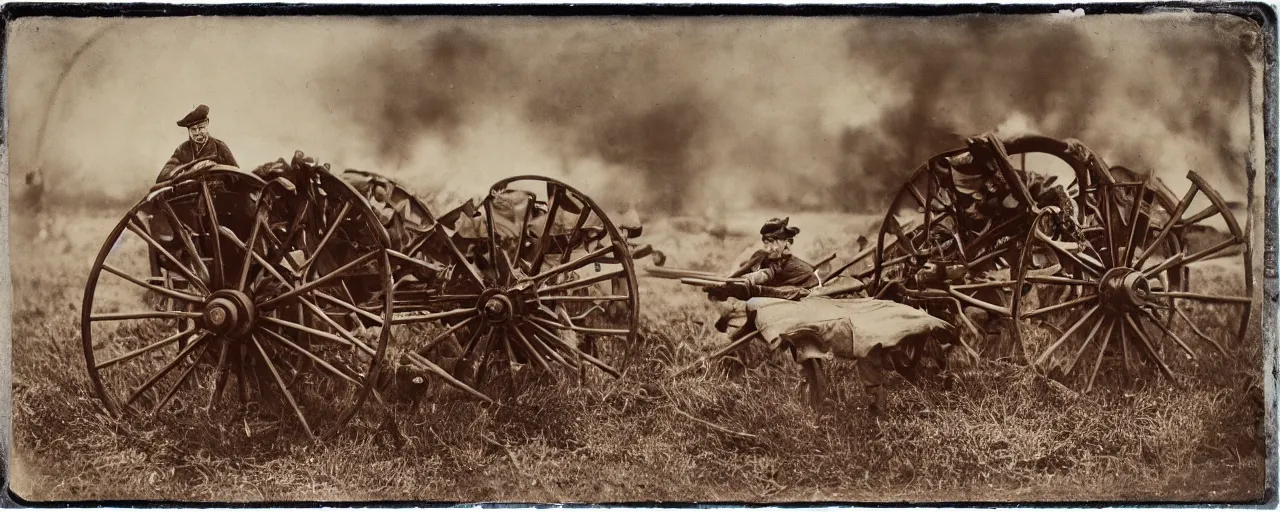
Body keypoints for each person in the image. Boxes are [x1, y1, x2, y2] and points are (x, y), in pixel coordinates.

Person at [704, 217, 822, 302]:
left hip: (807, 287)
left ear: (786, 242)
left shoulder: (788, 262)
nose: (772, 248)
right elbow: (747, 269)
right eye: (767, 243)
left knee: (756, 290)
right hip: (781, 284)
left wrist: (732, 284)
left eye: (777, 243)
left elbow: (763, 275)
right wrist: (727, 278)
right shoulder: (762, 255)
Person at [157, 104, 238, 182]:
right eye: (193, 129)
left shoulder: (219, 147)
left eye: (201, 127)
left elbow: (236, 176)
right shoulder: (182, 150)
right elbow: (164, 174)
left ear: (207, 123)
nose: (197, 132)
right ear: (188, 131)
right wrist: (191, 170)